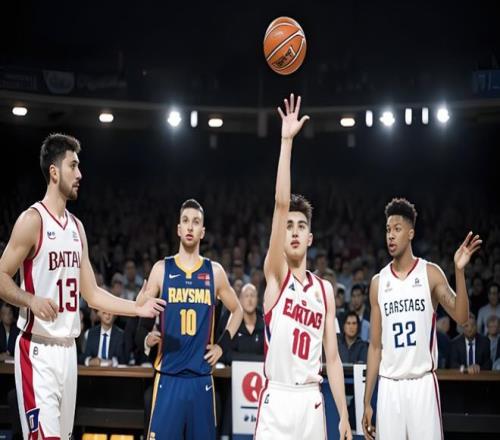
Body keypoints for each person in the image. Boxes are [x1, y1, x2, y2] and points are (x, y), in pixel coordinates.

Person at [0, 133, 165, 440]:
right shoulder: (32, 220)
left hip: (68, 352)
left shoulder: (77, 228)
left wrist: (136, 307)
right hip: (37, 350)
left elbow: (92, 293)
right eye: (73, 166)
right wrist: (30, 300)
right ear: (54, 172)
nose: (80, 174)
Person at [255, 94, 351, 440]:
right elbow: (281, 203)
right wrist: (286, 142)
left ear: (310, 237)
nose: (294, 232)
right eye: (289, 227)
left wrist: (343, 414)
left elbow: (333, 358)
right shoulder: (276, 274)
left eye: (301, 227)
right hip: (278, 398)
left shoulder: (324, 290)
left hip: (311, 400)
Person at [362, 198, 482, 440]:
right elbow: (375, 347)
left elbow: (461, 317)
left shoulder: (430, 273)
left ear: (411, 233)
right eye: (388, 230)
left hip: (422, 384)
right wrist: (366, 402)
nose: (391, 235)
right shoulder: (378, 283)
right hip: (389, 386)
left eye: (397, 229)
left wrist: (459, 271)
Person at [140, 198, 243, 440]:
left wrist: (222, 346)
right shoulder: (161, 269)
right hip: (168, 378)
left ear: (202, 232)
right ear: (178, 229)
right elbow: (141, 315)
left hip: (201, 379)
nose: (189, 226)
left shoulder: (214, 272)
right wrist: (146, 338)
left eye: (196, 222)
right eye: (185, 221)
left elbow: (237, 310)